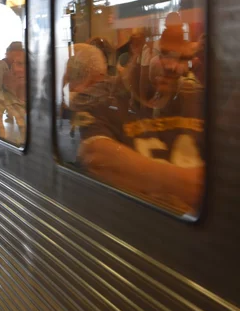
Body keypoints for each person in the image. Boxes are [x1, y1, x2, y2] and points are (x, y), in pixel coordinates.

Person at [77, 14, 205, 215]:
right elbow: (96, 156)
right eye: (164, 54)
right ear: (138, 47)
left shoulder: (196, 97)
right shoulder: (102, 96)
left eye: (184, 58)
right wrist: (190, 185)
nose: (174, 66)